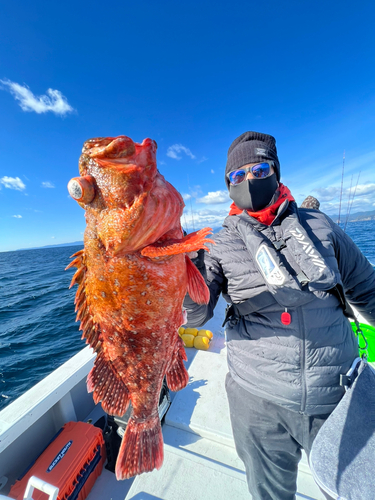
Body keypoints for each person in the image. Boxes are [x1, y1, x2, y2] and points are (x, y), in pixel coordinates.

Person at [183, 131, 375, 500]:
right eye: (236, 177)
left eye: (258, 169)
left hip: (335, 394)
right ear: (227, 187)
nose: (248, 181)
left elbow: (367, 290)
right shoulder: (217, 244)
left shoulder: (321, 225)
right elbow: (195, 314)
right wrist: (181, 269)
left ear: (276, 171)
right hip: (255, 399)